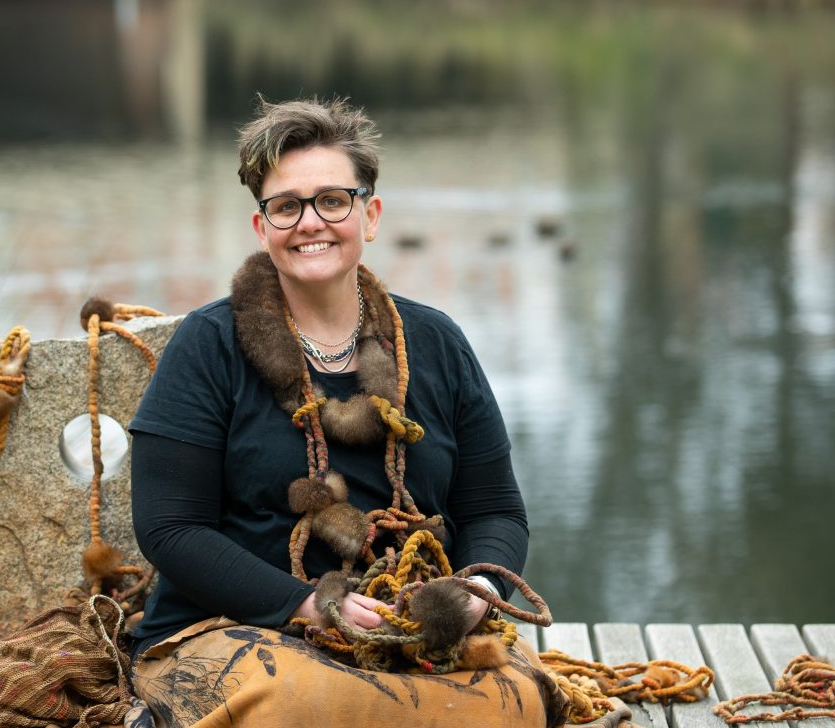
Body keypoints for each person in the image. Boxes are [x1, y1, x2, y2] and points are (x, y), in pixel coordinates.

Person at [127, 97, 564, 727]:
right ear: (262, 228)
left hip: (406, 629)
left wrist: (474, 594)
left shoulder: (436, 343)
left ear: (370, 214)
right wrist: (307, 604)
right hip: (238, 630)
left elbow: (495, 509)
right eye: (286, 206)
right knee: (309, 705)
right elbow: (171, 528)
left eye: (332, 200)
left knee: (519, 702)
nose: (311, 223)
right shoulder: (208, 345)